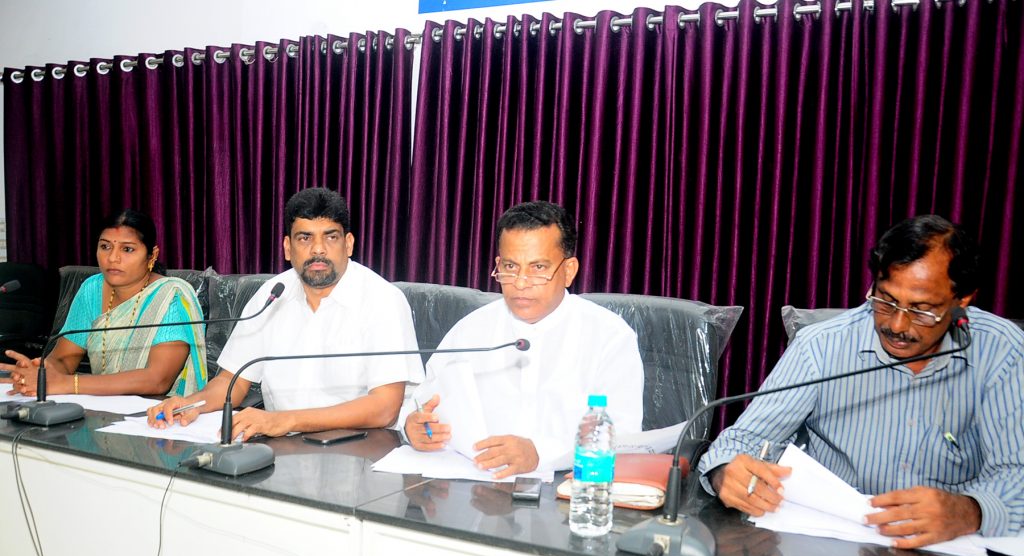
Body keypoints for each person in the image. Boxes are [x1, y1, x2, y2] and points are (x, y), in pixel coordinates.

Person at [699, 215, 1024, 547]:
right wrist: (726, 472)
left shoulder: (1002, 351)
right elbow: (743, 442)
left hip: (949, 548)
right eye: (886, 301)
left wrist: (970, 511)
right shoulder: (821, 346)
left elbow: (1017, 473)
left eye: (922, 310)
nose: (897, 326)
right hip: (832, 542)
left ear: (962, 300)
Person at [148, 187, 423, 439]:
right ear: (288, 248)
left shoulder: (382, 300)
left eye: (331, 237)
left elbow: (384, 408)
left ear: (348, 244)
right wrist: (192, 404)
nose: (318, 249)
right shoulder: (273, 295)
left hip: (361, 448)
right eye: (305, 238)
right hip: (282, 446)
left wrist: (286, 420)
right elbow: (232, 382)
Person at [404, 200, 644, 478]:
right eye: (510, 266)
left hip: (570, 487)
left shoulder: (609, 336)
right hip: (474, 483)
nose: (520, 283)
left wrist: (541, 454)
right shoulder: (471, 329)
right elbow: (423, 402)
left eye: (538, 268)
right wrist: (415, 427)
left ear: (569, 271)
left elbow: (624, 438)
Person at [2, 209, 207, 397]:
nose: (113, 258)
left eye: (127, 249)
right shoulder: (92, 289)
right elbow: (64, 358)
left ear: (152, 255)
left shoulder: (171, 296)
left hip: (160, 412)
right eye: (105, 246)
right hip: (101, 407)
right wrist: (41, 372)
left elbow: (157, 380)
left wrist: (68, 384)